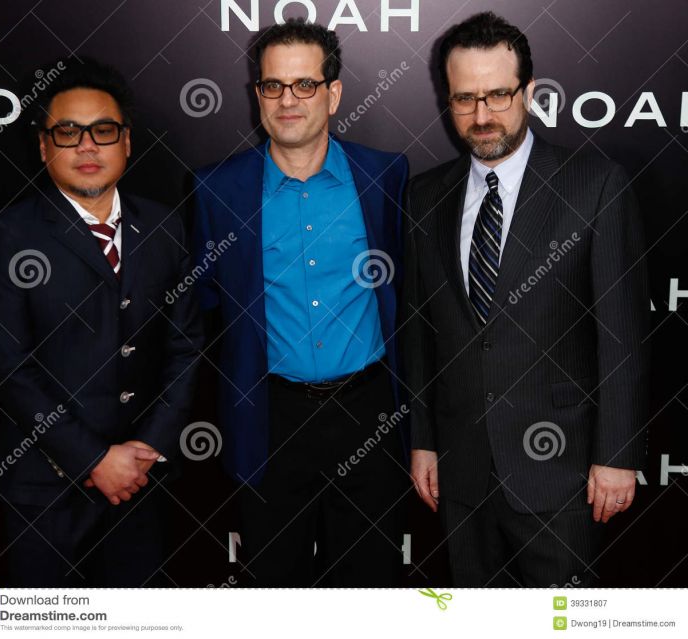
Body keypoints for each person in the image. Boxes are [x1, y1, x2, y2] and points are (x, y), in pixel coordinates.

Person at [405, 12, 650, 586]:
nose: (482, 116)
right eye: (465, 99)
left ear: (529, 92)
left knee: (560, 620)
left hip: (561, 473)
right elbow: (418, 332)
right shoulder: (424, 196)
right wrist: (423, 442)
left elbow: (623, 337)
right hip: (462, 471)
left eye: (498, 95)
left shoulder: (594, 184)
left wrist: (618, 454)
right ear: (447, 99)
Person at [0, 58, 204, 586]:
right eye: (68, 132)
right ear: (43, 146)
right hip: (46, 492)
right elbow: (10, 369)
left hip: (142, 483)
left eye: (103, 131)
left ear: (127, 142)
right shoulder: (9, 236)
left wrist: (145, 451)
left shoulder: (164, 226)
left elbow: (186, 346)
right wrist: (94, 458)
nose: (87, 146)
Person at [192, 18, 409, 586]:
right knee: (275, 586)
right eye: (273, 85)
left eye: (305, 85)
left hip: (370, 414)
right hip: (271, 418)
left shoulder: (385, 176)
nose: (287, 100)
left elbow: (410, 294)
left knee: (371, 585)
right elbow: (204, 309)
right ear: (257, 94)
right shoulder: (217, 190)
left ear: (333, 94)